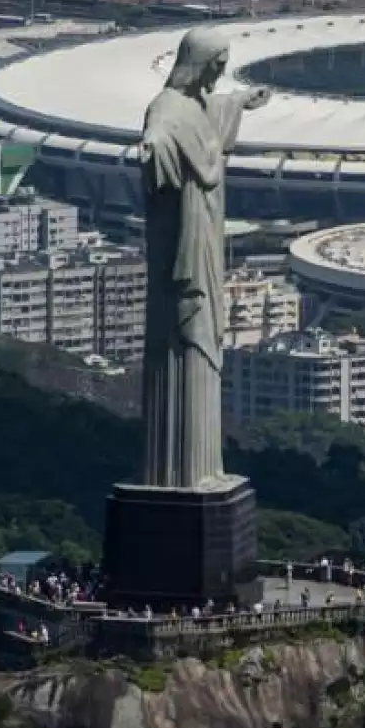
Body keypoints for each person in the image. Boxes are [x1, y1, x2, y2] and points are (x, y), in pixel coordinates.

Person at [139, 27, 270, 488]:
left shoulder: (195, 105)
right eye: (216, 65)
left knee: (204, 348)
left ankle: (203, 470)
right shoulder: (167, 109)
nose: (218, 75)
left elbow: (206, 114)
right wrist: (154, 146)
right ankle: (180, 473)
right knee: (185, 342)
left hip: (207, 235)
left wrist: (241, 101)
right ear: (199, 63)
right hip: (185, 247)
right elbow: (159, 130)